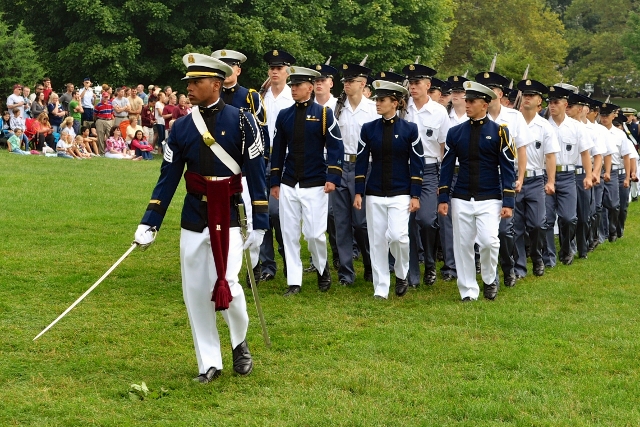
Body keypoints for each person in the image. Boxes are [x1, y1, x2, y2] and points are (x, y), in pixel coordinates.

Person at [133, 53, 268, 382]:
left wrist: (261, 222)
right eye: (188, 83)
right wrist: (150, 221)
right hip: (195, 214)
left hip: (231, 215)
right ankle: (210, 363)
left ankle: (239, 341)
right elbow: (167, 179)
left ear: (216, 84)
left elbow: (256, 173)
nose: (189, 88)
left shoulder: (242, 120)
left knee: (230, 284)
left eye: (196, 82)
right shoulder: (180, 127)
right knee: (195, 291)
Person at [438, 81, 516, 302]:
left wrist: (508, 201)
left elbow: (508, 168)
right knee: (462, 245)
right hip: (462, 195)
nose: (467, 104)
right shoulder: (455, 133)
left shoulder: (500, 132)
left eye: (472, 101)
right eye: (466, 100)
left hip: (490, 196)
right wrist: (443, 196)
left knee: (490, 241)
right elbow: (446, 166)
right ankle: (468, 290)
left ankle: (490, 279)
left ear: (485, 104)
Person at [270, 66, 343, 296]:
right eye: (292, 86)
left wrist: (333, 177)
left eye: (298, 86)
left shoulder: (323, 114)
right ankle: (294, 281)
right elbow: (278, 150)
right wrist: (274, 180)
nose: (293, 89)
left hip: (315, 183)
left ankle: (322, 269)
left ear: (310, 88)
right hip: (289, 182)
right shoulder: (285, 115)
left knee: (314, 234)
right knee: (289, 233)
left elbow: (335, 146)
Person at [354, 79, 423, 299]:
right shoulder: (368, 129)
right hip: (375, 192)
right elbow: (362, 161)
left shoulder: (409, 129)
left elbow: (418, 163)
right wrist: (358, 191)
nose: (377, 103)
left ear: (395, 102)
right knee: (376, 241)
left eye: (382, 100)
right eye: (377, 99)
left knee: (398, 237)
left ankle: (401, 274)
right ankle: (381, 287)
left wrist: (415, 195)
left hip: (401, 192)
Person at [211, 48, 269, 282]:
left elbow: (262, 133)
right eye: (221, 67)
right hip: (218, 169)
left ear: (238, 69)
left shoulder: (250, 96)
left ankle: (253, 264)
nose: (226, 72)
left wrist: (260, 166)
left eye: (230, 67)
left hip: (245, 170)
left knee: (250, 221)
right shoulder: (212, 96)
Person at [475, 71, 532, 287]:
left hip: (506, 178)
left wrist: (520, 178)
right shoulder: (477, 118)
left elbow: (522, 150)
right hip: (484, 179)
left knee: (504, 229)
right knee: (483, 231)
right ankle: (489, 272)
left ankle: (508, 267)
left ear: (499, 93)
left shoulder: (514, 117)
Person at [403, 63, 450, 289]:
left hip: (430, 170)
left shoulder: (439, 111)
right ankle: (412, 271)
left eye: (417, 83)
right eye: (410, 83)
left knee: (427, 220)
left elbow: (444, 147)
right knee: (407, 222)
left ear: (428, 85)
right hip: (404, 169)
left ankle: (430, 262)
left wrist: (443, 179)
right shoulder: (403, 109)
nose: (412, 87)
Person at [332, 61, 377, 286]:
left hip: (365, 167)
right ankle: (345, 272)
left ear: (363, 83)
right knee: (341, 222)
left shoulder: (372, 109)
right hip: (341, 166)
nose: (347, 85)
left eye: (351, 81)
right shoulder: (337, 109)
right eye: (345, 81)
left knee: (361, 223)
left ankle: (370, 264)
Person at [542, 85, 593, 267]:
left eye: (556, 102)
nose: (552, 106)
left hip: (567, 176)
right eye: (550, 102)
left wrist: (588, 175)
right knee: (546, 219)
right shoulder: (543, 125)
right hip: (545, 176)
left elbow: (586, 153)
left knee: (568, 218)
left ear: (565, 104)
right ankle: (549, 257)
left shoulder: (576, 127)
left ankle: (566, 249)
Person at [513, 79, 558, 278]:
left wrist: (551, 181)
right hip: (514, 179)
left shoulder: (545, 127)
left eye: (531, 95)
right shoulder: (513, 121)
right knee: (515, 226)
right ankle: (520, 266)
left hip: (535, 180)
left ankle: (537, 256)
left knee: (538, 223)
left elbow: (550, 156)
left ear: (540, 101)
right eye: (525, 95)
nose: (527, 98)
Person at [258, 49, 296, 282]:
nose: (275, 72)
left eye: (279, 68)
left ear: (287, 72)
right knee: (261, 211)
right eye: (272, 68)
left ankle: (287, 255)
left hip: (284, 161)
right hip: (260, 158)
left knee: (277, 212)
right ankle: (267, 265)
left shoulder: (293, 98)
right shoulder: (260, 97)